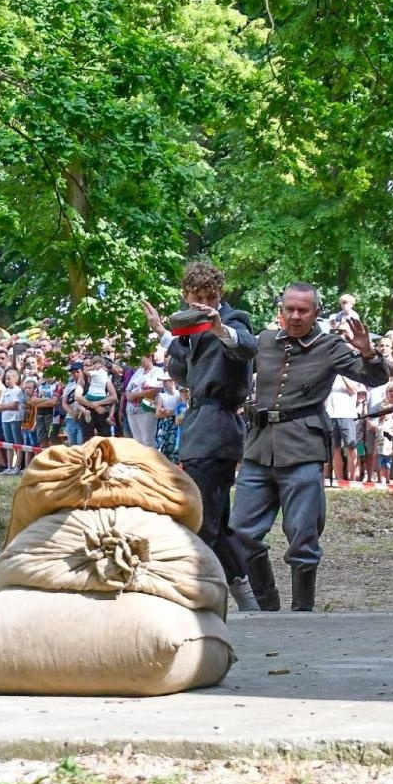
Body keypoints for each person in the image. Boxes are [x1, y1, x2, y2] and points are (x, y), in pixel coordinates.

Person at [224, 283, 389, 612]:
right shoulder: (265, 342)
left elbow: (376, 378)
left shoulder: (329, 346)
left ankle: (302, 613)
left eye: (303, 310)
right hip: (258, 450)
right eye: (290, 309)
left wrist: (368, 352)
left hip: (302, 450)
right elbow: (230, 362)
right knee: (240, 534)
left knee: (303, 538)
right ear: (281, 310)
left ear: (316, 313)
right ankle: (266, 608)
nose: (295, 316)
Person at [148, 259, 264, 611]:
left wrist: (218, 326)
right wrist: (162, 333)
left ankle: (198, 598)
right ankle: (250, 599)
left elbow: (246, 347)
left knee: (203, 519)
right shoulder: (192, 330)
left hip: (219, 426)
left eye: (210, 297)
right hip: (198, 424)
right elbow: (185, 369)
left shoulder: (233, 319)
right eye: (196, 297)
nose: (204, 304)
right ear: (185, 296)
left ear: (220, 295)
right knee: (216, 518)